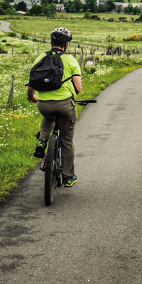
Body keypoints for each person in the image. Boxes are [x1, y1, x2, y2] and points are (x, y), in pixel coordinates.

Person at [28, 27, 83, 187]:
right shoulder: (71, 60)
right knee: (66, 139)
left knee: (48, 116)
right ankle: (68, 176)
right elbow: (78, 89)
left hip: (43, 104)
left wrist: (32, 97)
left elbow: (32, 82)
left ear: (51, 42)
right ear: (66, 45)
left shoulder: (40, 57)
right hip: (65, 105)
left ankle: (42, 141)